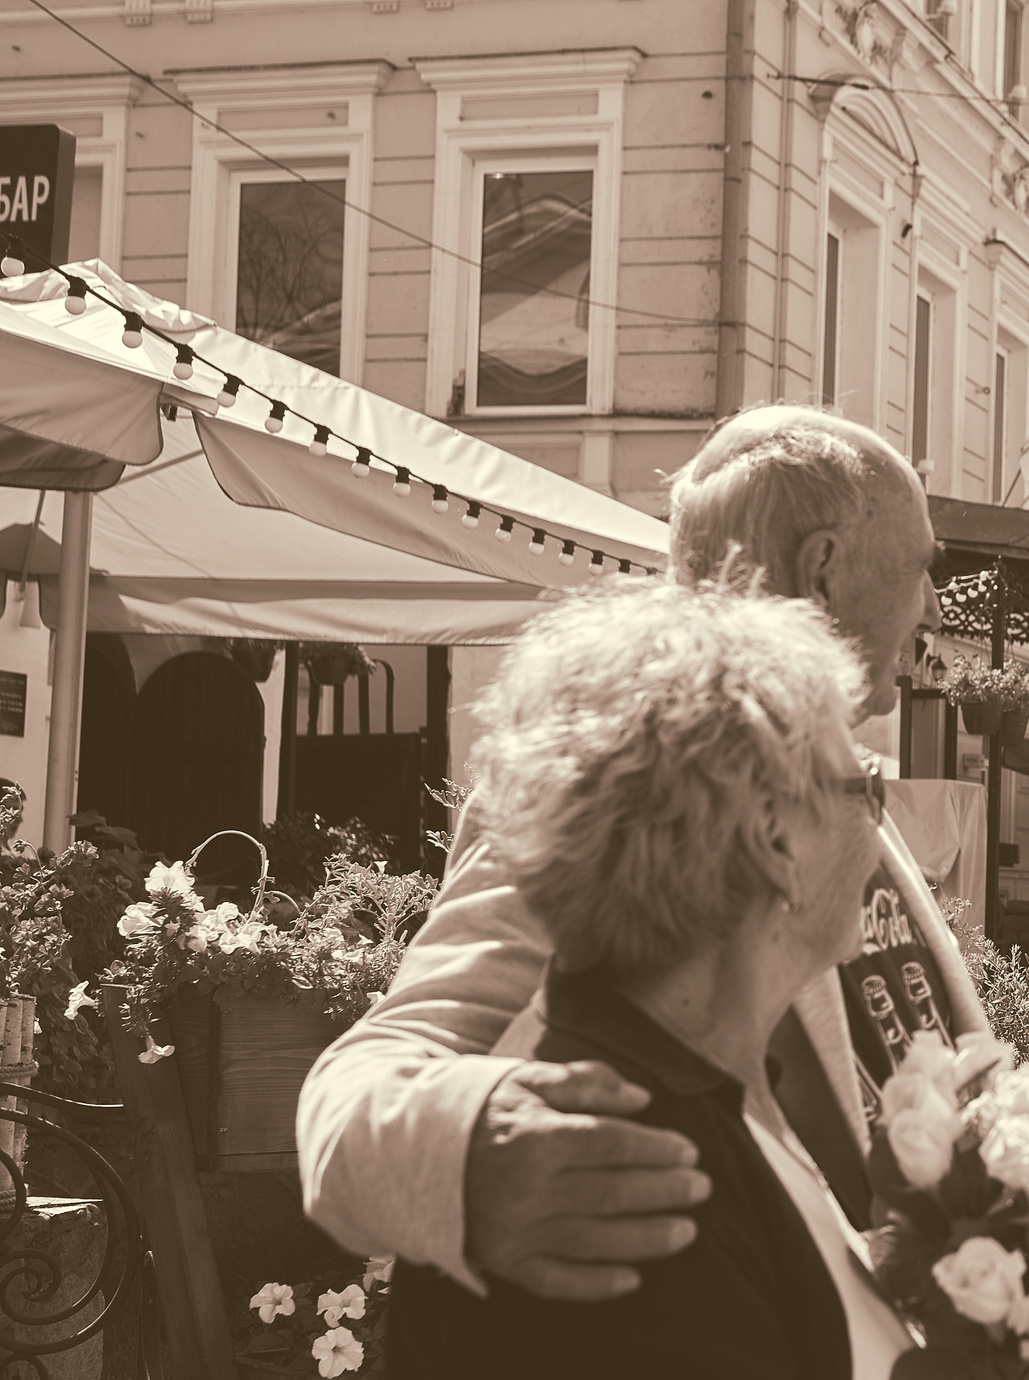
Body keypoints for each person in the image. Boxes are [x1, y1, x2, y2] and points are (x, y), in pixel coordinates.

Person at [393, 579, 1029, 1380]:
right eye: (864, 785)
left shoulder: (714, 1103)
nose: (881, 822)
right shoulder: (609, 1160)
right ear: (775, 842)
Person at [298, 406, 942, 1300]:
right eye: (921, 567)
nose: (933, 604)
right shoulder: (619, 785)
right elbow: (361, 1095)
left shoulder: (828, 768)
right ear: (823, 569)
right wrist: (473, 1151)